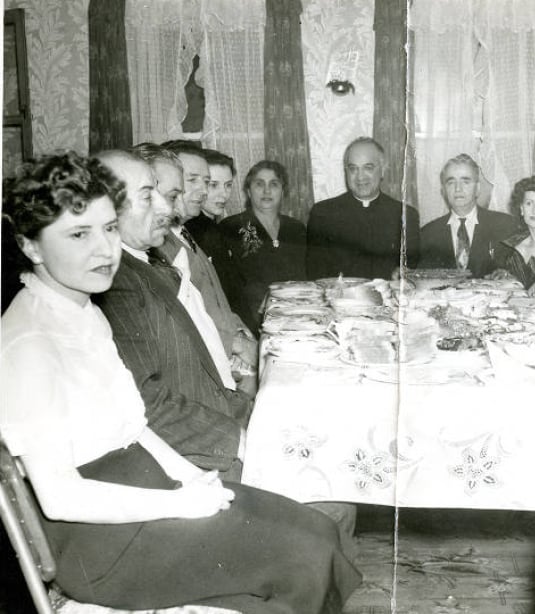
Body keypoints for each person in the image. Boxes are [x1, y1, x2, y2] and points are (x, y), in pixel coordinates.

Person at [0, 152, 361, 613]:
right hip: (102, 541)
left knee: (319, 531)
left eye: (110, 228)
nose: (104, 250)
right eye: (78, 234)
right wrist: (178, 505)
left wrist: (191, 476)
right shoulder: (26, 342)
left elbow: (136, 427)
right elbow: (61, 498)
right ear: (31, 247)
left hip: (150, 489)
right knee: (303, 556)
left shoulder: (83, 310)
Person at [93, 150, 251, 480]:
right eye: (149, 197)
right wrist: (239, 441)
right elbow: (146, 405)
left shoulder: (146, 264)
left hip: (214, 420)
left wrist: (251, 413)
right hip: (193, 459)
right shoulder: (116, 282)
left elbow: (195, 370)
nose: (167, 208)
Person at [133, 143, 258, 394]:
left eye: (206, 182)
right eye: (193, 181)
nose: (202, 191)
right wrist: (236, 343)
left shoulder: (184, 233)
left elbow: (214, 300)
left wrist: (240, 329)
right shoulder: (158, 244)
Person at [211, 160, 307, 331]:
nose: (267, 191)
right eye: (259, 184)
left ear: (283, 191)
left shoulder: (297, 229)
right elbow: (225, 287)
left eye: (274, 184)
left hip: (297, 317)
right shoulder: (230, 228)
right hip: (251, 321)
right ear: (248, 191)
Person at [306, 136, 420, 280]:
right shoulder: (323, 213)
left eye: (368, 167)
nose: (360, 177)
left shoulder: (405, 215)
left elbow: (410, 269)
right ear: (345, 172)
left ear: (383, 170)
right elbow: (315, 272)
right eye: (353, 169)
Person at [418, 153, 516, 278]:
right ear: (443, 191)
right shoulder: (427, 234)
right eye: (451, 182)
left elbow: (520, 272)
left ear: (478, 189)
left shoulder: (504, 225)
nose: (458, 189)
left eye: (466, 181)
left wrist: (509, 275)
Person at [185, 148, 236, 251]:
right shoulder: (193, 231)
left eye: (228, 185)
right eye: (213, 185)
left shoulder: (213, 225)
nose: (224, 194)